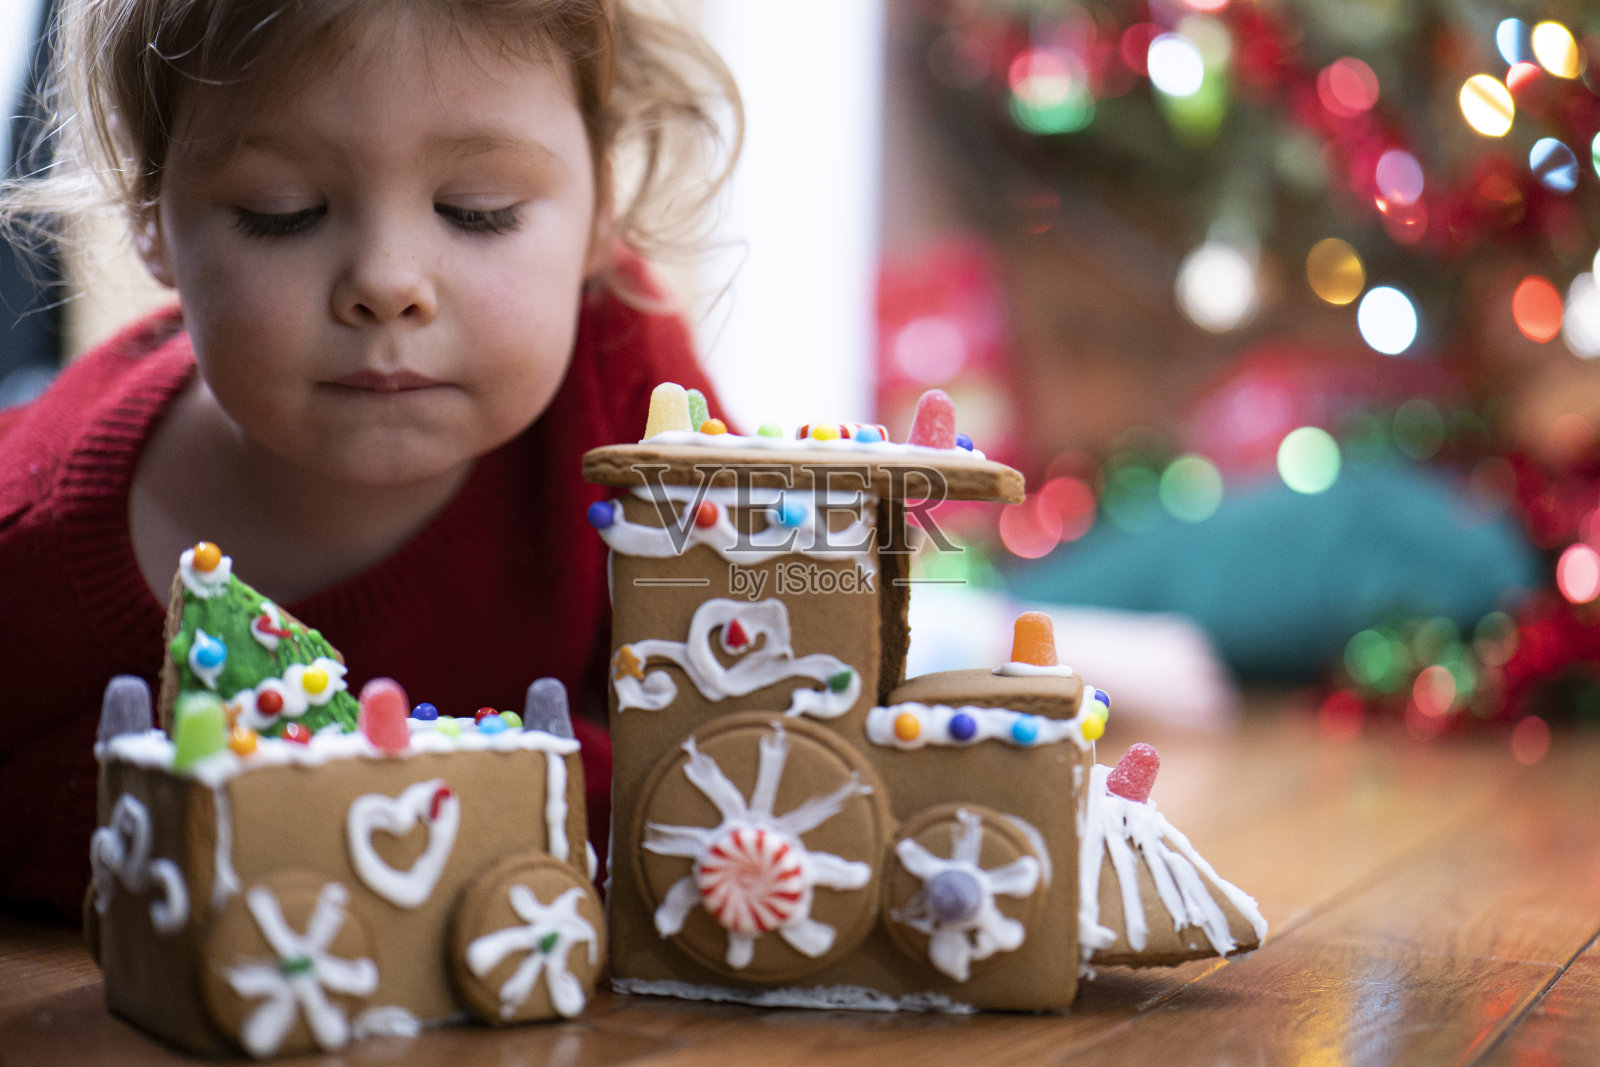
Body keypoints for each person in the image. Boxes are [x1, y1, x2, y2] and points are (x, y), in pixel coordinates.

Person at [0, 0, 740, 921]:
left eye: (480, 213)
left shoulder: (622, 373)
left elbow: (743, 707)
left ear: (602, 206)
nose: (388, 282)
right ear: (151, 213)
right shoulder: (25, 566)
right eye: (285, 214)